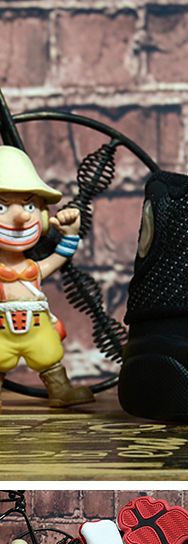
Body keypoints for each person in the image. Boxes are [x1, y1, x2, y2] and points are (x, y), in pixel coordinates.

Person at [0, 146, 93, 411]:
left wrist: (71, 233)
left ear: (42, 215)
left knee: (49, 356)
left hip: (37, 326)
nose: (21, 217)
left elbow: (60, 256)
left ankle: (61, 391)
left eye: (29, 205)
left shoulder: (33, 269)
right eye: (2, 207)